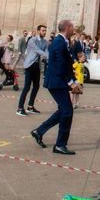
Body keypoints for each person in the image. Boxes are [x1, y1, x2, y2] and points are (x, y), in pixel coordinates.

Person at [31, 20, 81, 155]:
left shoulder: (63, 42)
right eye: (72, 27)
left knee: (63, 111)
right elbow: (60, 65)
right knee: (67, 112)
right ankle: (60, 145)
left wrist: (74, 80)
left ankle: (39, 131)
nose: (74, 30)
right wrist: (71, 82)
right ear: (67, 28)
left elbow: (67, 64)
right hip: (56, 82)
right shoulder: (59, 42)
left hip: (59, 81)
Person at [17, 25, 49, 116]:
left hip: (37, 66)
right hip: (30, 65)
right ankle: (19, 108)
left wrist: (50, 58)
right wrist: (48, 56)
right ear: (38, 31)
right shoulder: (32, 40)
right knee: (27, 87)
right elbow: (37, 50)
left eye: (45, 31)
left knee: (36, 86)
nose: (44, 32)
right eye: (43, 30)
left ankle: (30, 106)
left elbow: (47, 51)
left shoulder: (45, 42)